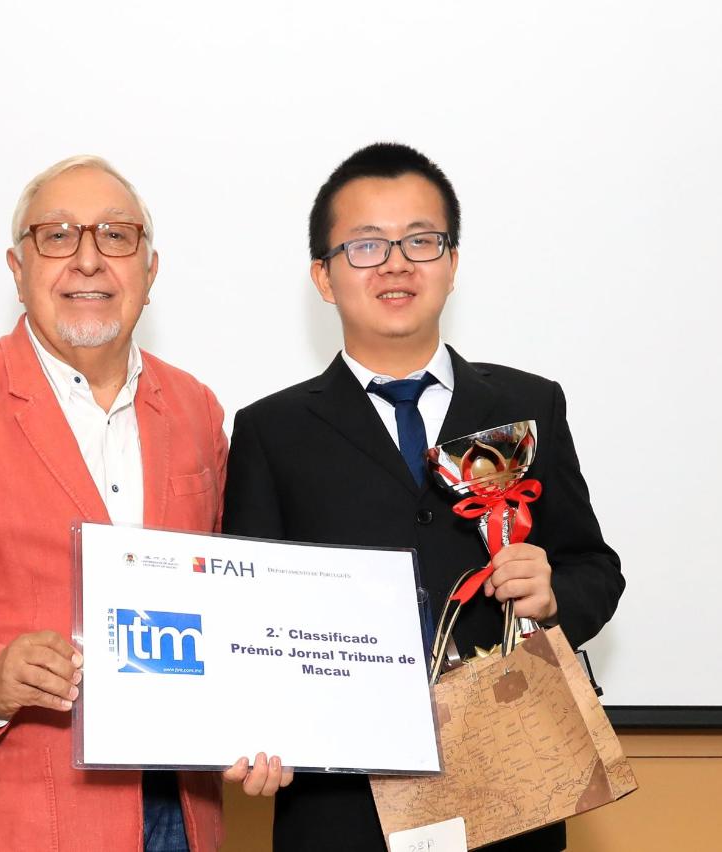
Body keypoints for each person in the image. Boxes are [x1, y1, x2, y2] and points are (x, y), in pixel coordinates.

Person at [0, 155, 285, 852]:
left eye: (116, 235)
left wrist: (265, 716)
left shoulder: (195, 408)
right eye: (57, 236)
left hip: (182, 812)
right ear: (17, 269)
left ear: (150, 271)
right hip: (15, 822)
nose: (89, 260)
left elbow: (232, 597)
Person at [221, 142, 625, 851]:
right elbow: (246, 616)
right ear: (323, 276)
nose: (396, 263)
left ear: (453, 263)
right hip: (341, 808)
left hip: (513, 789)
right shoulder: (270, 431)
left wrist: (554, 591)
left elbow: (595, 568)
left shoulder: (529, 404)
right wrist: (251, 725)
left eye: (420, 240)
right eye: (366, 245)